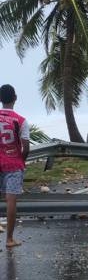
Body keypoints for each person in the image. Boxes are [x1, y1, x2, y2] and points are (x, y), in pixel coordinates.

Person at [0, 85, 29, 248]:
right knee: (11, 201)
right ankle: (9, 239)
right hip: (13, 163)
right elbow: (26, 146)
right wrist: (21, 161)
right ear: (15, 98)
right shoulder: (21, 120)